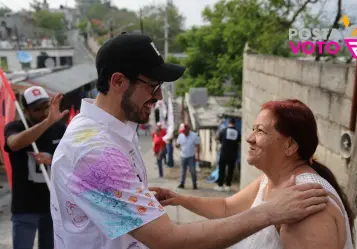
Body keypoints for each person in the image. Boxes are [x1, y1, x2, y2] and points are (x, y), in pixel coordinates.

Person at [50, 33, 328, 249]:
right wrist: (270, 213)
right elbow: (169, 240)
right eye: (153, 85)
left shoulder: (116, 130)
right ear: (118, 81)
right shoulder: (95, 150)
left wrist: (142, 198)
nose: (159, 97)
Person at [151, 99, 354, 249]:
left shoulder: (305, 200)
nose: (249, 138)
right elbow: (227, 208)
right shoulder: (270, 180)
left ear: (290, 145)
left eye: (261, 131)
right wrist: (179, 198)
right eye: (253, 129)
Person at [4, 86, 68, 249]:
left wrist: (52, 159)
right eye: (37, 109)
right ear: (26, 111)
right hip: (25, 207)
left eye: (46, 106)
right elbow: (14, 143)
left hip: (52, 205)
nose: (44, 112)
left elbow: (72, 163)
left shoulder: (60, 129)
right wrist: (47, 123)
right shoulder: (15, 127)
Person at [214, 118, 241, 192]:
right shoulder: (238, 132)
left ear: (228, 123)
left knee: (221, 169)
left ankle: (220, 185)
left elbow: (219, 140)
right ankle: (228, 186)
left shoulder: (223, 131)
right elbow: (238, 143)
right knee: (230, 170)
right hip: (233, 155)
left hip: (224, 154)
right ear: (234, 123)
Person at [176, 123, 200, 189]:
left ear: (188, 129)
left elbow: (198, 146)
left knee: (193, 171)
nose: (183, 132)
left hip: (191, 156)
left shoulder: (194, 135)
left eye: (184, 131)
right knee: (182, 171)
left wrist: (198, 156)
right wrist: (177, 145)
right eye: (182, 131)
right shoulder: (181, 135)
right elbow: (177, 144)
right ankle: (182, 183)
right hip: (183, 156)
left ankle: (194, 184)